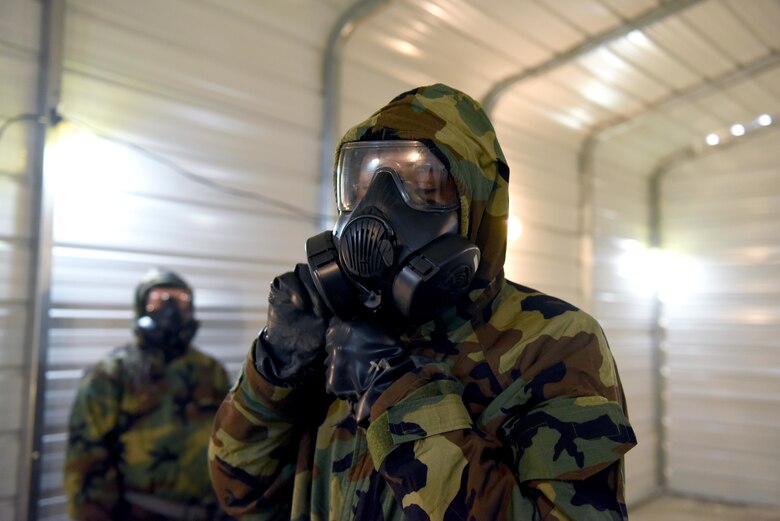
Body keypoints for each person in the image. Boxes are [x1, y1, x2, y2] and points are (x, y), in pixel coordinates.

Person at [208, 84, 637, 520]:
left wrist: (395, 397)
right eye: (363, 185)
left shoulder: (555, 342)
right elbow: (242, 494)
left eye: (423, 185)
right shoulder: (334, 330)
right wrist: (274, 371)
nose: (376, 211)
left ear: (475, 208)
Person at [64, 268, 232, 520]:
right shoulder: (111, 375)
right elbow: (85, 468)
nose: (171, 308)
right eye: (159, 299)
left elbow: (233, 445)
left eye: (180, 300)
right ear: (141, 306)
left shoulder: (211, 371)